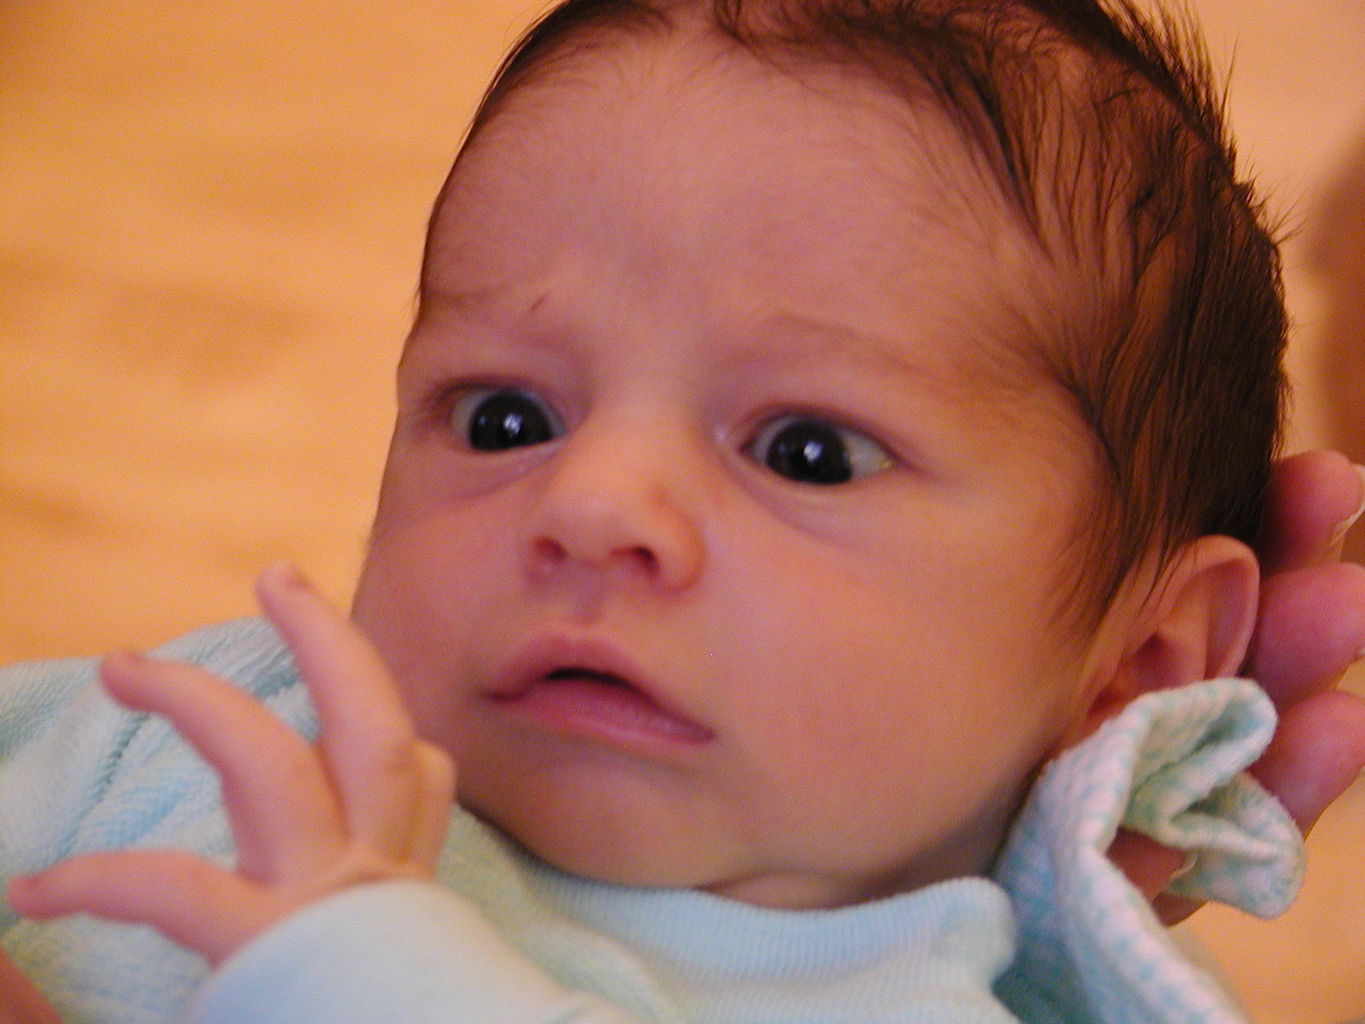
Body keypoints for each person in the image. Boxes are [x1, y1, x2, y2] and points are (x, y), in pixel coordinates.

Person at [1, 0, 1364, 1022]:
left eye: (807, 452)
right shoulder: (210, 734)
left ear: (1138, 669)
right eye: (504, 421)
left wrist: (356, 974)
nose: (588, 502)